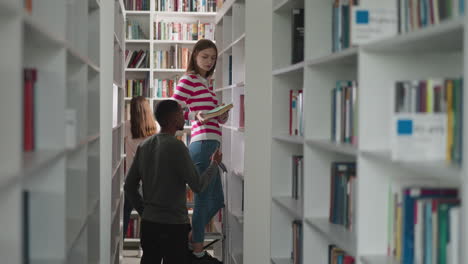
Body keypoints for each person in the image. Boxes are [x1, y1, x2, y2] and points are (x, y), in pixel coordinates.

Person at [124, 99, 223, 264]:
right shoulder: (178, 148)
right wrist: (214, 164)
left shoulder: (145, 146)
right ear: (171, 119)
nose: (183, 117)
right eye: (180, 113)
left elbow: (129, 186)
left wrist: (144, 211)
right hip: (174, 226)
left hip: (149, 225)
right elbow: (198, 186)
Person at [172, 39, 229, 263]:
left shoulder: (207, 83)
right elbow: (173, 108)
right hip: (202, 143)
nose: (209, 61)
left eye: (213, 58)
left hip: (212, 143)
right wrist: (192, 115)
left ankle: (190, 237)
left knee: (217, 200)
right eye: (204, 56)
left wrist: (221, 115)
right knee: (204, 199)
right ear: (194, 55)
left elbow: (211, 113)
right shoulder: (189, 80)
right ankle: (197, 250)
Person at [123, 96, 157, 239]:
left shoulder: (126, 126)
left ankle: (117, 247)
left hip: (132, 178)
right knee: (149, 215)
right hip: (151, 178)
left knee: (124, 214)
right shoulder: (156, 127)